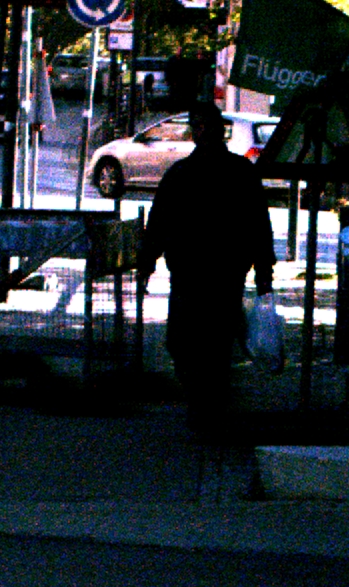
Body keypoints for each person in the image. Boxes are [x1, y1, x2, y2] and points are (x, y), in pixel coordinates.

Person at [139, 101, 275, 442]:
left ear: (217, 130)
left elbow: (258, 224)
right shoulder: (189, 173)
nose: (201, 132)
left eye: (205, 125)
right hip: (195, 272)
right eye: (196, 125)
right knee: (189, 342)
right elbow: (160, 221)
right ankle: (205, 405)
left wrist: (264, 272)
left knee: (208, 344)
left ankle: (206, 408)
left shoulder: (232, 173)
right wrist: (147, 259)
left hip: (219, 273)